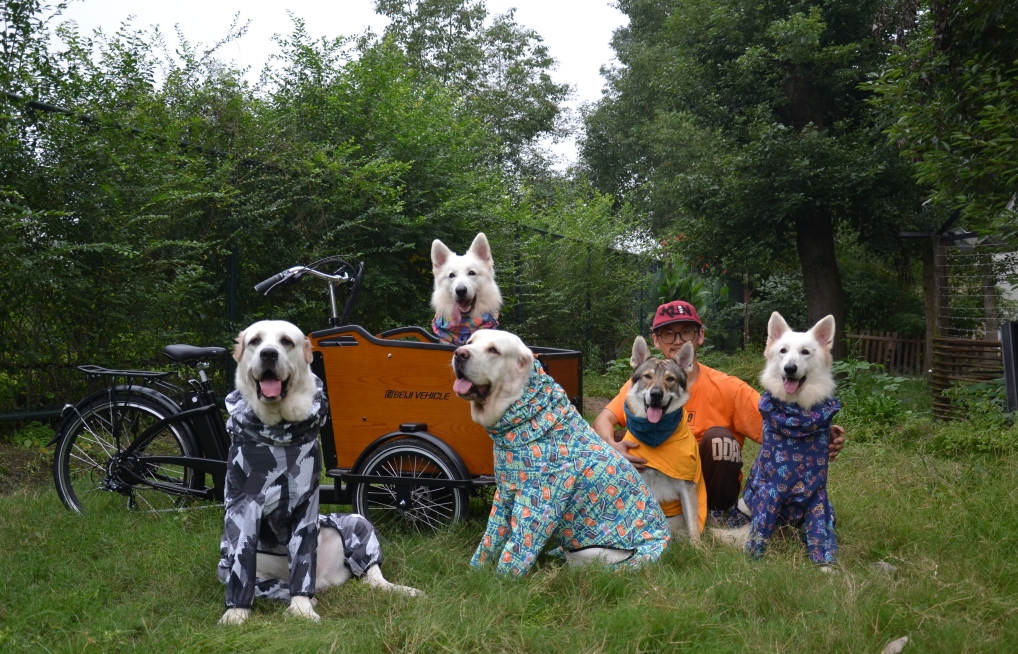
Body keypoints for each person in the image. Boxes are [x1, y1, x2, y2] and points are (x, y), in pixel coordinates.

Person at [591, 300, 846, 526]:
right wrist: (612, 445)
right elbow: (603, 420)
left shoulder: (728, 388)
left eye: (686, 331)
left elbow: (779, 429)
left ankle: (714, 513)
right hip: (659, 479)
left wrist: (817, 437)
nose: (678, 340)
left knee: (719, 440)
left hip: (709, 480)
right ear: (656, 341)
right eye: (668, 334)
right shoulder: (644, 385)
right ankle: (642, 510)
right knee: (621, 435)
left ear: (699, 336)